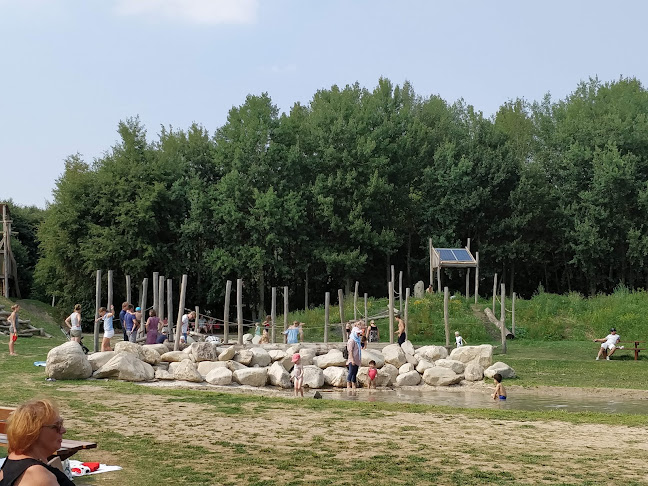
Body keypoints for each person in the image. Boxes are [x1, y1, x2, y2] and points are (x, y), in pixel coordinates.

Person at [0, 398, 75, 485]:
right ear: (34, 431)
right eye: (56, 426)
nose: (63, 430)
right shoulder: (38, 476)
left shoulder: (13, 460)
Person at [346, 326, 362, 391]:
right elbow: (350, 351)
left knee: (355, 372)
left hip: (357, 359)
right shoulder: (351, 341)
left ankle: (353, 384)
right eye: (357, 333)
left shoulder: (358, 341)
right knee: (351, 372)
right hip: (352, 359)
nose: (358, 335)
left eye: (359, 333)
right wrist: (352, 359)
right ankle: (348, 384)